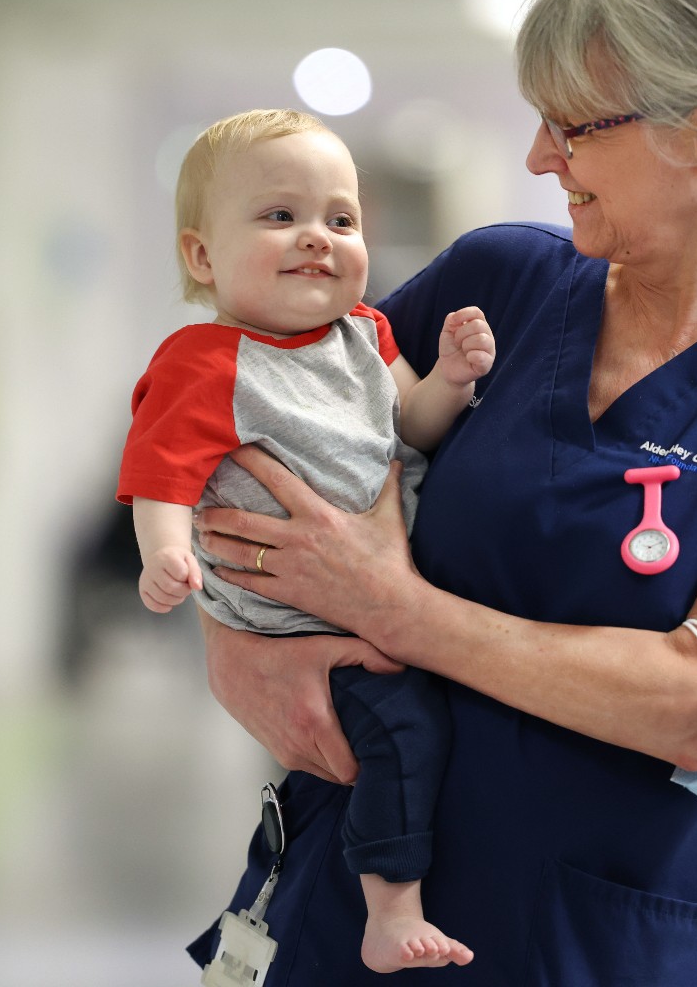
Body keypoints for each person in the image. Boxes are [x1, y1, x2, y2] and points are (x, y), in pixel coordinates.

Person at [187, 0, 697, 986]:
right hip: (345, 913)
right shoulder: (500, 283)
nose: (541, 157)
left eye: (573, 127)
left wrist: (394, 608)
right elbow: (233, 428)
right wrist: (238, 649)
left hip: (589, 944)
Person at [116, 109, 492, 973]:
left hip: (398, 587)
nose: (317, 238)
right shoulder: (204, 361)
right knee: (403, 736)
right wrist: (165, 553)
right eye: (280, 217)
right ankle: (390, 909)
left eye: (342, 219)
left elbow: (413, 427)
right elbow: (160, 475)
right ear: (202, 257)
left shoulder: (367, 332)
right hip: (303, 626)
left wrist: (451, 379)